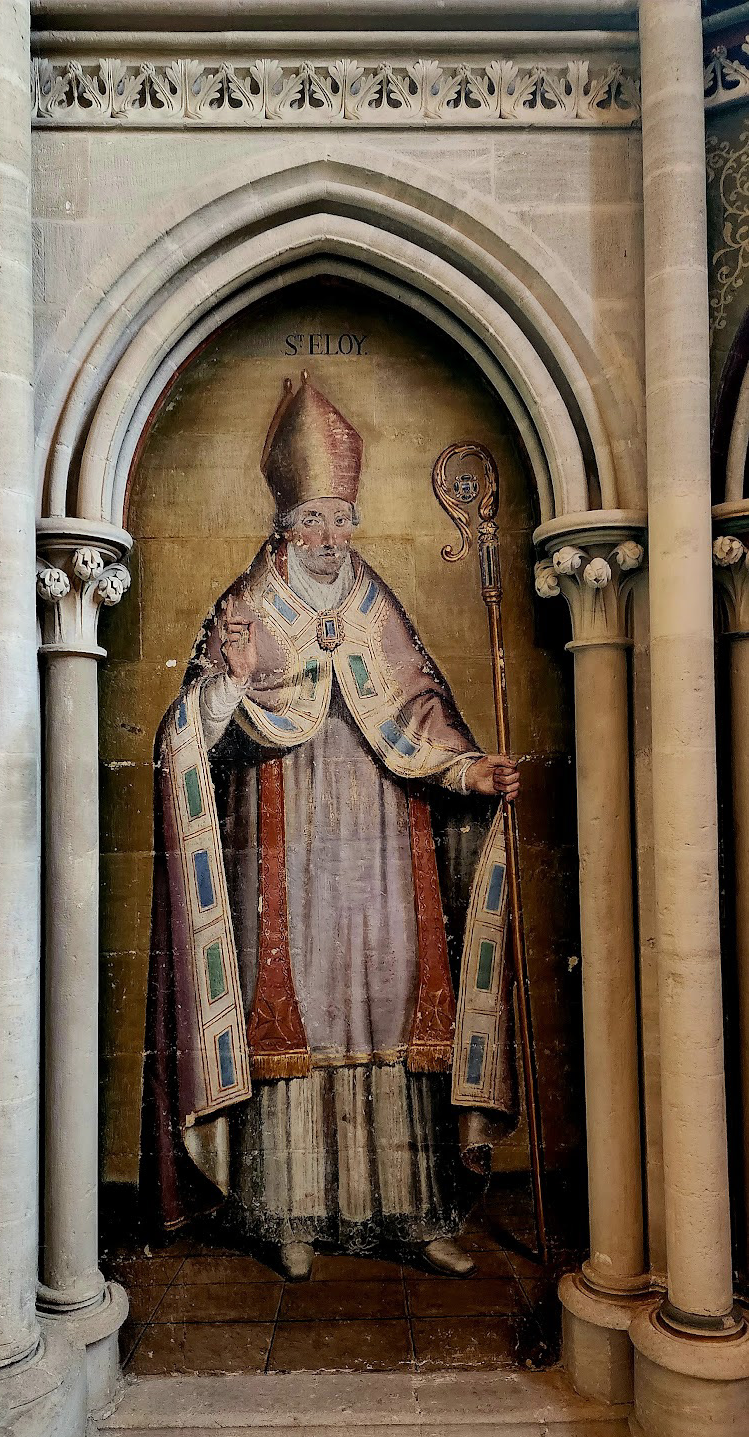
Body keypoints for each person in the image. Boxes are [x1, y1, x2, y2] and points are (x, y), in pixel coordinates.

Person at [144, 373, 519, 1279]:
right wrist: (229, 685)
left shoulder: (373, 602)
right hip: (287, 850)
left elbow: (420, 712)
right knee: (297, 1017)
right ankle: (290, 1214)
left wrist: (471, 769)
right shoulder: (248, 605)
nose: (327, 537)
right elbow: (186, 740)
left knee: (393, 1001)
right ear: (284, 523)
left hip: (385, 849)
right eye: (310, 519)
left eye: (339, 520)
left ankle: (414, 1212)